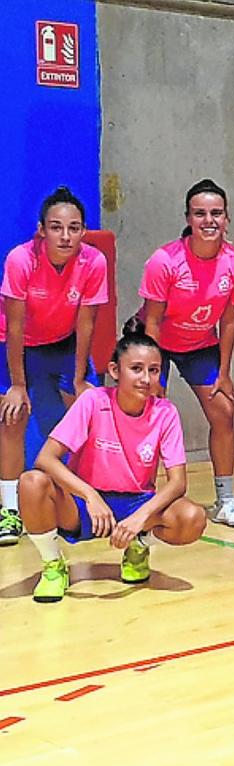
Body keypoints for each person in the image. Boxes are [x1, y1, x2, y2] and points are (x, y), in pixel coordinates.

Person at [18, 325, 206, 603]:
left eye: (154, 370)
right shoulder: (93, 401)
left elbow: (178, 483)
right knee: (31, 482)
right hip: (85, 505)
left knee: (192, 517)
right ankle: (53, 566)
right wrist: (90, 496)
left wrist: (139, 520)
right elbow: (46, 458)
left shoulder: (165, 412)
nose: (146, 378)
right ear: (115, 371)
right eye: (137, 369)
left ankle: (139, 544)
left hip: (136, 503)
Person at [139, 179, 234, 528]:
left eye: (216, 213)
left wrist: (225, 372)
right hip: (155, 342)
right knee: (146, 415)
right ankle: (142, 499)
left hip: (201, 345)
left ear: (227, 218)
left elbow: (229, 321)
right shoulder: (164, 260)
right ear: (188, 218)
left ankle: (225, 500)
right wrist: (152, 373)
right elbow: (152, 320)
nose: (209, 220)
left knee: (223, 410)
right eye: (200, 213)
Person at [0, 186, 108, 545]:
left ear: (83, 231)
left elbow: (86, 323)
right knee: (12, 414)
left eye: (74, 228)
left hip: (64, 343)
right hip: (18, 344)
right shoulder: (21, 259)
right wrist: (18, 385)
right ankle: (9, 512)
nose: (65, 236)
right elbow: (15, 327)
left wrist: (78, 379)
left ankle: (82, 501)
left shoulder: (93, 262)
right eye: (56, 227)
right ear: (41, 230)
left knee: (88, 408)